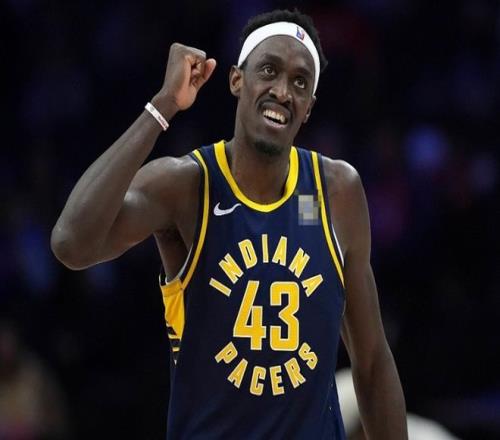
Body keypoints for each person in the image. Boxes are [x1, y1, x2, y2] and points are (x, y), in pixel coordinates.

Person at [51, 9, 407, 439]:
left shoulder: (334, 192)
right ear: (237, 80)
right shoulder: (186, 185)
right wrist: (162, 106)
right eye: (269, 70)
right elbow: (71, 244)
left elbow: (372, 362)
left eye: (300, 82)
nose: (283, 91)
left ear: (309, 108)